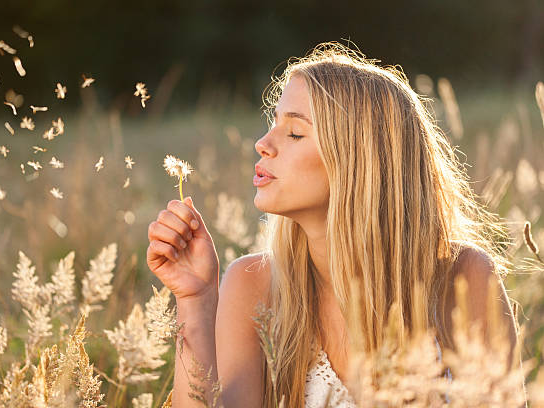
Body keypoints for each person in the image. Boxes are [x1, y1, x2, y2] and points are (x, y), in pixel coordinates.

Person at [146, 42, 523, 407]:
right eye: (273, 125)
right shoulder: (254, 285)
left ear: (360, 161)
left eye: (294, 133)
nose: (262, 144)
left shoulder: (463, 279)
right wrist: (195, 301)